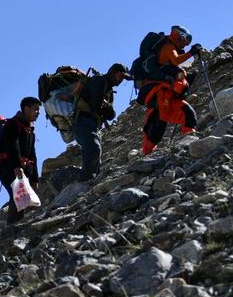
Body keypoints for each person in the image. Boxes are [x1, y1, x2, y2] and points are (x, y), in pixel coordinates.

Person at [140, 25, 202, 155]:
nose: (185, 44)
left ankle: (190, 139)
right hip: (159, 90)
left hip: (166, 91)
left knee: (186, 112)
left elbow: (177, 63)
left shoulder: (170, 47)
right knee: (160, 120)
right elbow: (176, 60)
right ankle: (147, 152)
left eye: (187, 42)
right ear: (178, 36)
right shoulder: (169, 47)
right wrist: (192, 52)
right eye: (185, 40)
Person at [72, 63, 130, 181]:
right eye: (120, 76)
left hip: (92, 124)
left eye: (123, 78)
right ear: (113, 72)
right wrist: (105, 108)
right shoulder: (100, 80)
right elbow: (96, 105)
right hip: (84, 120)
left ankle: (90, 182)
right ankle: (84, 182)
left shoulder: (109, 91)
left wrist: (106, 107)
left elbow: (111, 115)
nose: (121, 80)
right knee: (94, 149)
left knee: (95, 152)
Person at [0, 97, 41, 223]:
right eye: (36, 109)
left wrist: (34, 178)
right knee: (17, 196)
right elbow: (12, 144)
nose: (38, 113)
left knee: (21, 198)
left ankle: (14, 227)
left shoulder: (30, 130)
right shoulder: (13, 123)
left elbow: (33, 155)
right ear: (26, 109)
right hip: (8, 167)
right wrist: (17, 166)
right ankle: (11, 229)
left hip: (22, 170)